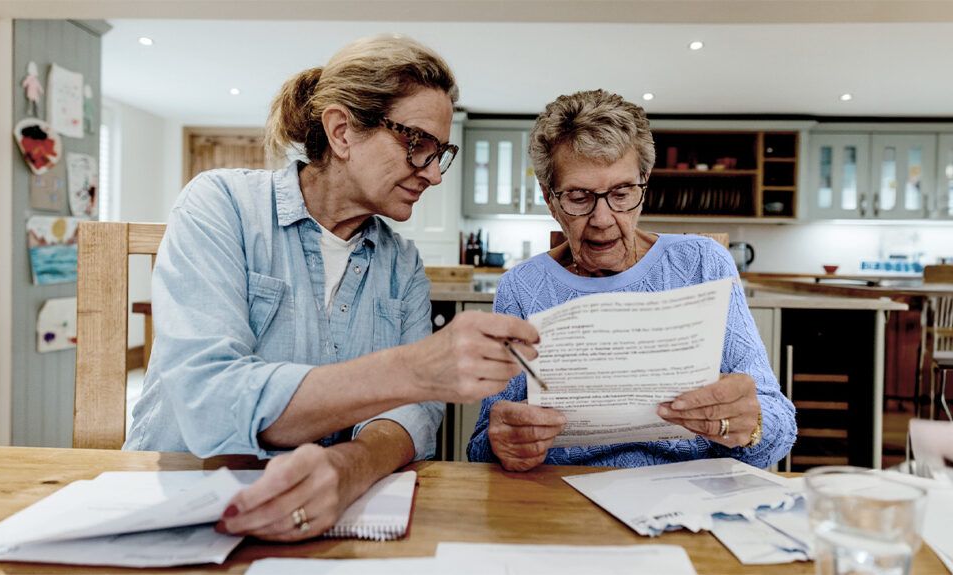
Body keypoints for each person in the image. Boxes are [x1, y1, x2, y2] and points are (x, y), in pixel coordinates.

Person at [124, 35, 539, 541]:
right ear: (342, 132)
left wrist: (349, 468)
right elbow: (210, 402)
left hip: (321, 520)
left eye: (440, 153)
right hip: (182, 509)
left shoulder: (400, 263)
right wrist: (419, 368)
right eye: (417, 145)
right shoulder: (221, 205)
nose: (432, 174)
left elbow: (412, 417)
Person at [467, 90, 796, 472]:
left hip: (689, 495)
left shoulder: (703, 265)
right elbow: (482, 449)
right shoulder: (521, 288)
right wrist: (505, 443)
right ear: (550, 198)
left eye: (621, 193)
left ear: (644, 184)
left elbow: (778, 433)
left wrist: (749, 424)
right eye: (578, 197)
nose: (603, 218)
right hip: (564, 496)